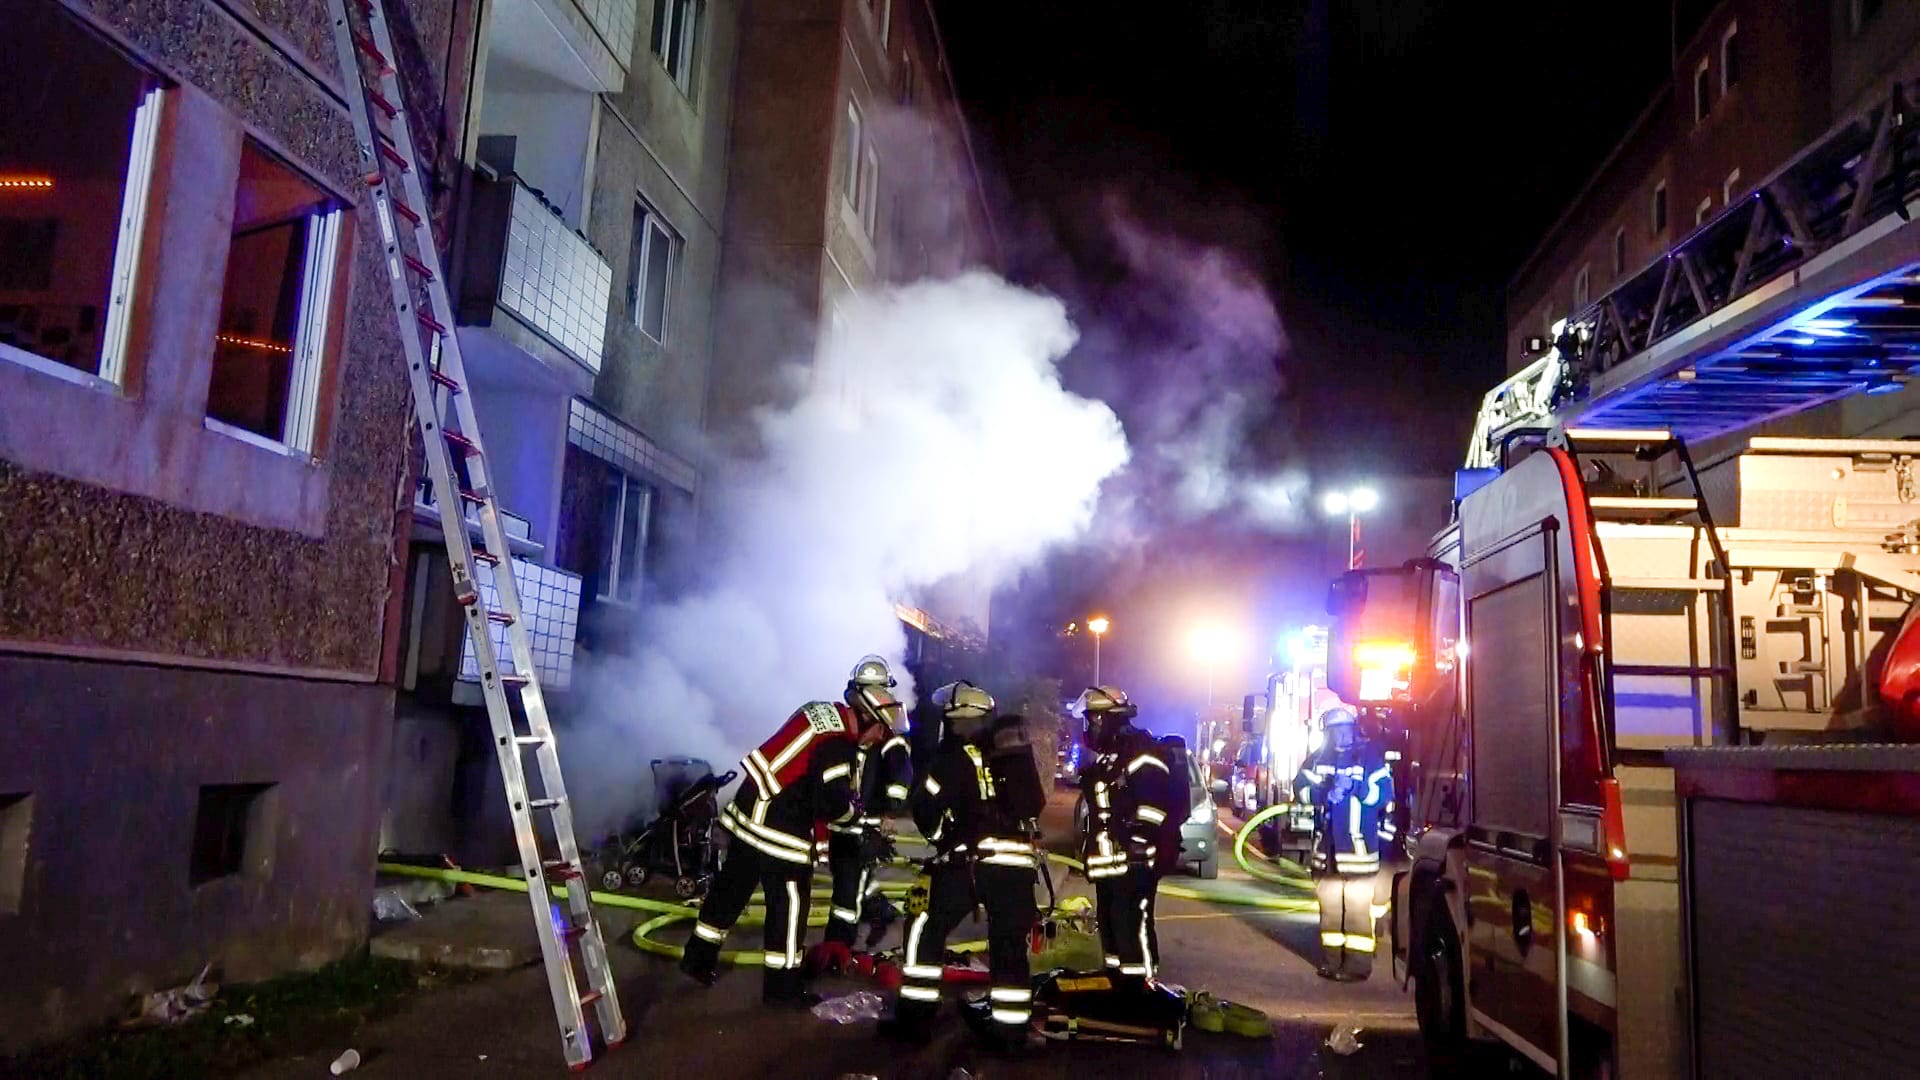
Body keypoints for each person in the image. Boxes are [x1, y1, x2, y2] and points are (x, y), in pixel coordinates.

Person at [679, 662, 897, 1005]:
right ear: (865, 717)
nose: (880, 738)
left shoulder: (824, 713)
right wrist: (858, 824)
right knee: (790, 906)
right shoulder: (839, 743)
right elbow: (831, 800)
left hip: (750, 811)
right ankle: (782, 989)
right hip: (779, 828)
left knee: (730, 892)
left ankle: (697, 958)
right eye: (880, 730)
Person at [884, 681, 1047, 1051]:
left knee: (924, 924)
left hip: (973, 863)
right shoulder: (1009, 754)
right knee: (1008, 946)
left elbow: (926, 809)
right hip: (1019, 865)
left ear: (956, 720)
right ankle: (1011, 1033)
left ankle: (916, 1019)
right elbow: (1030, 805)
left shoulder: (952, 756)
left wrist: (946, 840)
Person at [1076, 685, 1182, 984]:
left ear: (1112, 718)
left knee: (1132, 928)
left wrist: (1136, 842)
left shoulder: (1142, 752)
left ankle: (1141, 991)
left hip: (1133, 864)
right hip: (1109, 865)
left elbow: (1154, 806)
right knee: (1110, 926)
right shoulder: (1109, 757)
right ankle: (1116, 985)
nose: (1091, 726)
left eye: (1095, 719)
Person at [816, 656, 914, 962]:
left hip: (865, 823)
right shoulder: (849, 726)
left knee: (847, 892)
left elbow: (901, 775)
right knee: (847, 876)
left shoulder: (888, 732)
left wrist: (890, 812)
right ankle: (878, 909)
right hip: (843, 820)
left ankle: (839, 946)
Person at [1293, 705, 1393, 980]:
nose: (1341, 736)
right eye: (1334, 731)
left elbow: (1384, 794)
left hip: (1359, 854)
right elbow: (1300, 788)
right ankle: (1332, 962)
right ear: (1327, 734)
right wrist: (1324, 792)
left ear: (1353, 729)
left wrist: (1355, 788)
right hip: (1327, 856)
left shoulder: (1369, 759)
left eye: (1344, 730)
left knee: (1358, 915)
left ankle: (1358, 967)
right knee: (1330, 914)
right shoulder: (1317, 760)